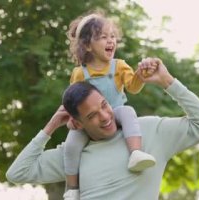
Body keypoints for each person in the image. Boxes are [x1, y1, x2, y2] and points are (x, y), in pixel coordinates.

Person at [6, 57, 199, 200]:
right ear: (79, 123)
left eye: (104, 105)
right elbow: (17, 173)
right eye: (92, 116)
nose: (105, 116)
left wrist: (167, 81)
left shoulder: (149, 130)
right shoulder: (73, 153)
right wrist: (50, 127)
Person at [62, 11, 157, 199]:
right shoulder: (80, 74)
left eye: (112, 36)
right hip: (91, 122)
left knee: (128, 111)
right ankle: (72, 188)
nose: (110, 41)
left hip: (116, 113)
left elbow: (133, 87)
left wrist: (140, 76)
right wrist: (72, 120)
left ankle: (135, 153)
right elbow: (74, 101)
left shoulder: (119, 66)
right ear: (88, 45)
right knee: (71, 145)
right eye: (103, 37)